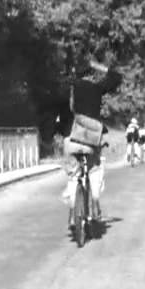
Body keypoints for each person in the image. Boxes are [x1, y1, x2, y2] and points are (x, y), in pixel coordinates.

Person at [61, 58, 122, 227]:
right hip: (92, 141)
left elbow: (60, 82)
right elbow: (117, 77)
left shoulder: (74, 85)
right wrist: (97, 66)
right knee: (94, 171)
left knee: (74, 176)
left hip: (73, 139)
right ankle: (95, 204)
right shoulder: (97, 88)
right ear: (91, 75)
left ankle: (73, 214)